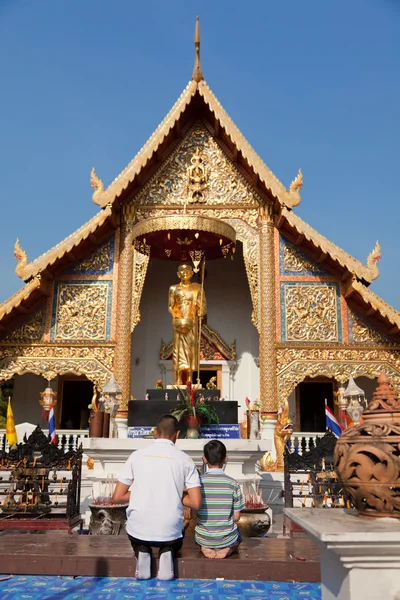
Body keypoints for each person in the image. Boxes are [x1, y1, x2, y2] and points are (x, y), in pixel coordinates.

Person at [113, 415, 201, 580]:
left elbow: (118, 496)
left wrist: (143, 491)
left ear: (154, 432)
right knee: (173, 539)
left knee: (137, 536)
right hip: (170, 532)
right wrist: (173, 492)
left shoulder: (136, 456)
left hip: (139, 530)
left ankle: (142, 550)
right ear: (177, 435)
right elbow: (196, 502)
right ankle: (167, 551)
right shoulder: (185, 460)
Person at [194, 439, 245, 559]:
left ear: (205, 459)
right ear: (225, 458)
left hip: (204, 537)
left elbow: (193, 515)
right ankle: (229, 548)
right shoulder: (233, 483)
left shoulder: (198, 483)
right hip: (227, 537)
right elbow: (237, 517)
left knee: (200, 534)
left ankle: (204, 547)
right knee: (238, 537)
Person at [168, 262, 206, 385]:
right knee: (178, 350)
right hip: (179, 322)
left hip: (192, 322)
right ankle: (178, 379)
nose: (185, 273)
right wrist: (176, 317)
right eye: (182, 271)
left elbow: (202, 305)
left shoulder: (197, 288)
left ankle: (190, 378)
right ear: (178, 274)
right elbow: (170, 306)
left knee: (191, 349)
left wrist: (200, 312)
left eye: (188, 270)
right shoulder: (173, 288)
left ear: (192, 273)